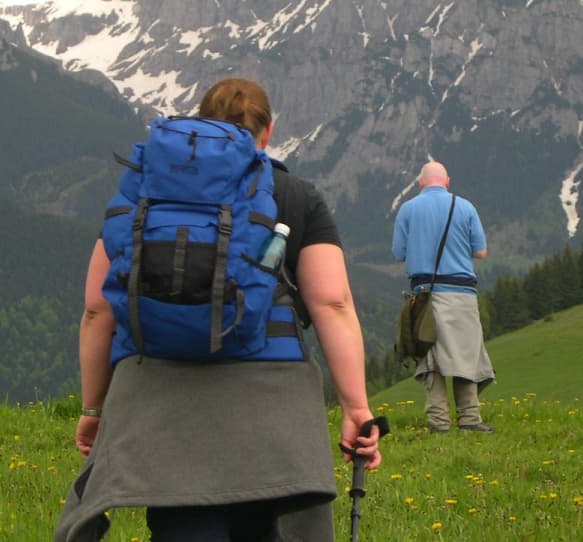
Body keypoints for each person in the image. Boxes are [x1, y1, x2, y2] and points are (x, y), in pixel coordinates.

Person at [54, 77, 382, 542]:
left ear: (199, 125)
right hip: (272, 415)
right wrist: (356, 406)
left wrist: (95, 407)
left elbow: (97, 311)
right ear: (268, 132)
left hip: (162, 408)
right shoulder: (296, 195)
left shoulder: (147, 194)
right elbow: (332, 303)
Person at [392, 161, 496, 433]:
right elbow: (481, 252)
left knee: (430, 355)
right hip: (461, 293)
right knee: (466, 354)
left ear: (421, 183)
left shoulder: (408, 209)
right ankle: (470, 419)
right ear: (447, 181)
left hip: (424, 294)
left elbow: (399, 253)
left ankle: (438, 422)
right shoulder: (465, 207)